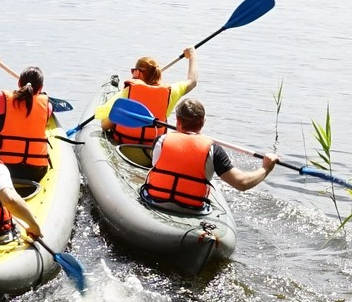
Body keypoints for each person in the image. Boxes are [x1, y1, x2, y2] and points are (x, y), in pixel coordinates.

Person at [140, 99, 275, 215]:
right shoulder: (213, 150)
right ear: (203, 122)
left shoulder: (160, 141)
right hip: (192, 208)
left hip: (156, 200)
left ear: (177, 121)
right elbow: (242, 183)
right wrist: (266, 168)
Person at [0, 57, 54, 179]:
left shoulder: (2, 100)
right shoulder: (47, 106)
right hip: (36, 170)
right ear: (41, 88)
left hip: (2, 168)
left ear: (19, 83)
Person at [105, 49, 194, 150]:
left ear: (137, 73)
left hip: (122, 147)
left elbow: (104, 124)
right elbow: (192, 81)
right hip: (151, 151)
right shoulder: (170, 92)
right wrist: (192, 56)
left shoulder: (126, 93)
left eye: (133, 71)